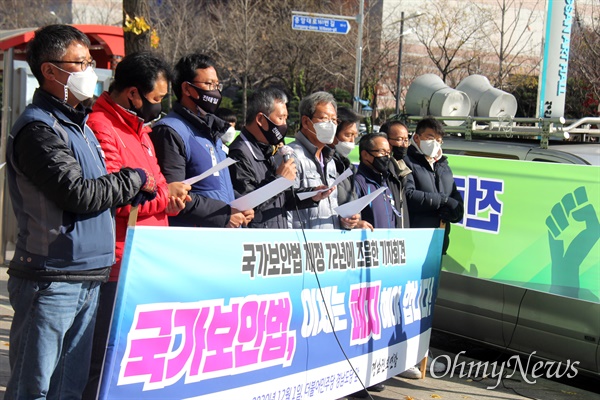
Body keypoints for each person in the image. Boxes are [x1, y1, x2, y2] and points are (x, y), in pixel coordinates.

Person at [4, 24, 157, 400]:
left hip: (88, 276)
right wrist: (134, 178)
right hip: (51, 280)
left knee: (68, 389)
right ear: (50, 71)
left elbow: (99, 190)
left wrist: (128, 191)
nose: (91, 72)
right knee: (33, 389)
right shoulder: (38, 129)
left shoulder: (81, 126)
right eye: (80, 63)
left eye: (91, 62)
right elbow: (78, 193)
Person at [82, 52, 191, 399]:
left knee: (133, 358)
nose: (159, 106)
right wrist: (161, 195)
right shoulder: (102, 126)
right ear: (133, 94)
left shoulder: (139, 128)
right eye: (156, 99)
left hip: (146, 256)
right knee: (102, 359)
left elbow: (155, 182)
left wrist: (158, 191)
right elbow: (118, 198)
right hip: (118, 260)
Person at [150, 53, 253, 228]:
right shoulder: (170, 131)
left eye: (216, 84)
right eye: (208, 84)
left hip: (218, 236)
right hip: (192, 240)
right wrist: (224, 214)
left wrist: (239, 204)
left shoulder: (212, 131)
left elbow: (216, 186)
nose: (215, 90)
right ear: (187, 88)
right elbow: (175, 196)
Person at [228, 87, 317, 228]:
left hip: (274, 239)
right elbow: (246, 204)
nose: (284, 125)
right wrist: (279, 180)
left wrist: (312, 195)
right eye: (280, 118)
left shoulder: (269, 149)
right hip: (255, 242)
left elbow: (280, 199)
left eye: (286, 119)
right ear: (260, 119)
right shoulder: (239, 153)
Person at [287, 91, 360, 230]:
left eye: (334, 120)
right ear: (306, 122)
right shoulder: (291, 155)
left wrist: (343, 221)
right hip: (302, 244)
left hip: (326, 245)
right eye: (325, 119)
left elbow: (329, 206)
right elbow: (286, 205)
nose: (331, 125)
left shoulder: (330, 161)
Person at [403, 116, 464, 254]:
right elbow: (408, 195)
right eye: (430, 138)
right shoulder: (406, 161)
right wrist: (443, 200)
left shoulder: (442, 164)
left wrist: (457, 211)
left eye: (439, 140)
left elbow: (453, 194)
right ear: (417, 138)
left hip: (438, 241)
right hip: (415, 241)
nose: (435, 143)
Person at [354, 132, 409, 229]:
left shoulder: (384, 182)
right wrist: (356, 225)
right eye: (382, 152)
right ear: (365, 155)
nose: (387, 157)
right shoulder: (357, 182)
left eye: (388, 153)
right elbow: (351, 219)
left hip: (388, 242)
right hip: (368, 242)